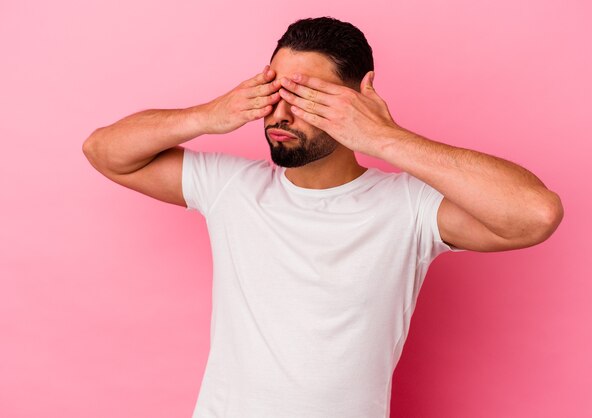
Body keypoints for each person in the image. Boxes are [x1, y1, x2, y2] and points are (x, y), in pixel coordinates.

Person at [82, 16, 563, 418]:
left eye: (307, 97)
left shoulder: (408, 206)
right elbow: (104, 151)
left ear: (357, 100)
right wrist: (209, 115)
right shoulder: (230, 187)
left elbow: (535, 214)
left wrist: (384, 138)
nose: (281, 114)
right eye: (275, 91)